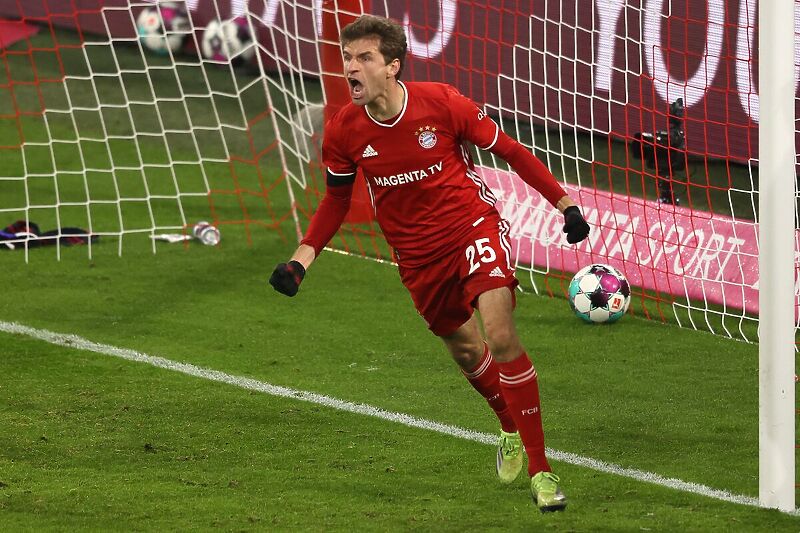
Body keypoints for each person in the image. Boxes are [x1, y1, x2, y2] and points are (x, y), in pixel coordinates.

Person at [269, 14, 589, 513]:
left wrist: (564, 203)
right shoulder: (344, 131)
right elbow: (334, 202)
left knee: (500, 335)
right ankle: (507, 423)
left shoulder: (441, 102)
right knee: (466, 351)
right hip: (416, 257)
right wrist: (300, 260)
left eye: (363, 58)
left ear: (392, 65)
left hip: (470, 229)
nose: (350, 68)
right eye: (347, 58)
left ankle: (542, 469)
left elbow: (510, 150)